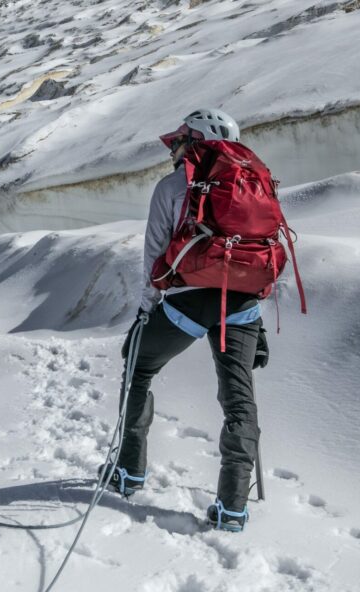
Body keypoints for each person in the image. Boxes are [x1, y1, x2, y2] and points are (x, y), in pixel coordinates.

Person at [105, 108, 270, 532]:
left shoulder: (173, 186)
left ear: (194, 139)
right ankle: (233, 507)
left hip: (188, 301)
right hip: (243, 306)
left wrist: (147, 309)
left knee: (137, 365)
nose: (174, 147)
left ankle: (129, 470)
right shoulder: (255, 181)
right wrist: (259, 326)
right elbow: (260, 253)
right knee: (238, 399)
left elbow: (154, 255)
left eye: (179, 139)